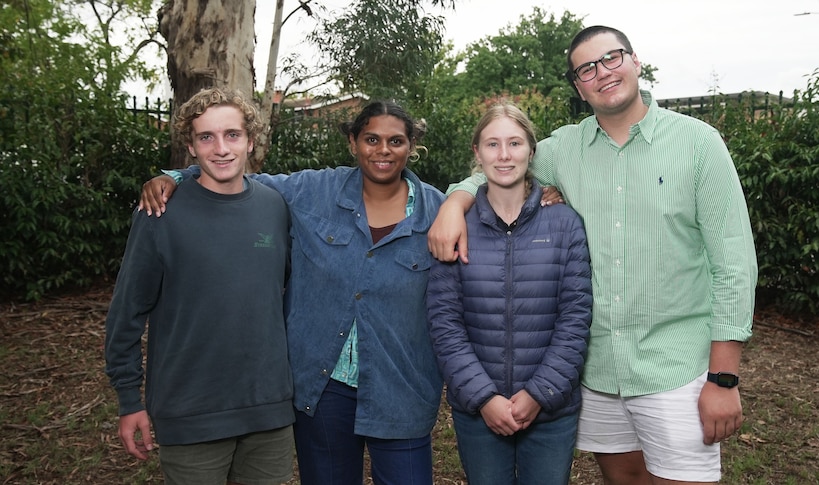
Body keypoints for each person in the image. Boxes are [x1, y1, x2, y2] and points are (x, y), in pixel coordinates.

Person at [427, 26, 758, 485]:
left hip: (675, 365)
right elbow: (499, 166)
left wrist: (724, 379)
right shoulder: (564, 149)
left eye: (611, 58)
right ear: (579, 86)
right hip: (598, 371)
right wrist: (453, 203)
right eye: (586, 69)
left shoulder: (699, 145)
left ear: (636, 61)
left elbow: (734, 266)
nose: (602, 73)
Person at [139, 100, 445, 485]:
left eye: (396, 141)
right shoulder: (313, 191)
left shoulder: (438, 211)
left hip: (401, 386)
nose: (383, 150)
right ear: (353, 142)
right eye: (371, 139)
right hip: (323, 388)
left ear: (411, 145)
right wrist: (176, 176)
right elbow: (236, 177)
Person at [104, 87, 295, 485]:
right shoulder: (160, 212)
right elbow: (127, 312)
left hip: (268, 411)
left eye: (232, 135)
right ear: (190, 147)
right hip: (190, 411)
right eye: (206, 137)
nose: (221, 148)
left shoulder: (275, 207)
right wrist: (128, 399)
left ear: (251, 140)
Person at [425, 103, 592, 485]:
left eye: (515, 143)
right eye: (492, 144)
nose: (504, 155)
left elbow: (575, 318)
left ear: (531, 151)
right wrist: (484, 398)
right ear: (477, 152)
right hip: (479, 412)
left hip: (551, 410)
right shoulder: (455, 226)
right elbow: (444, 323)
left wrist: (539, 393)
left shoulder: (565, 223)